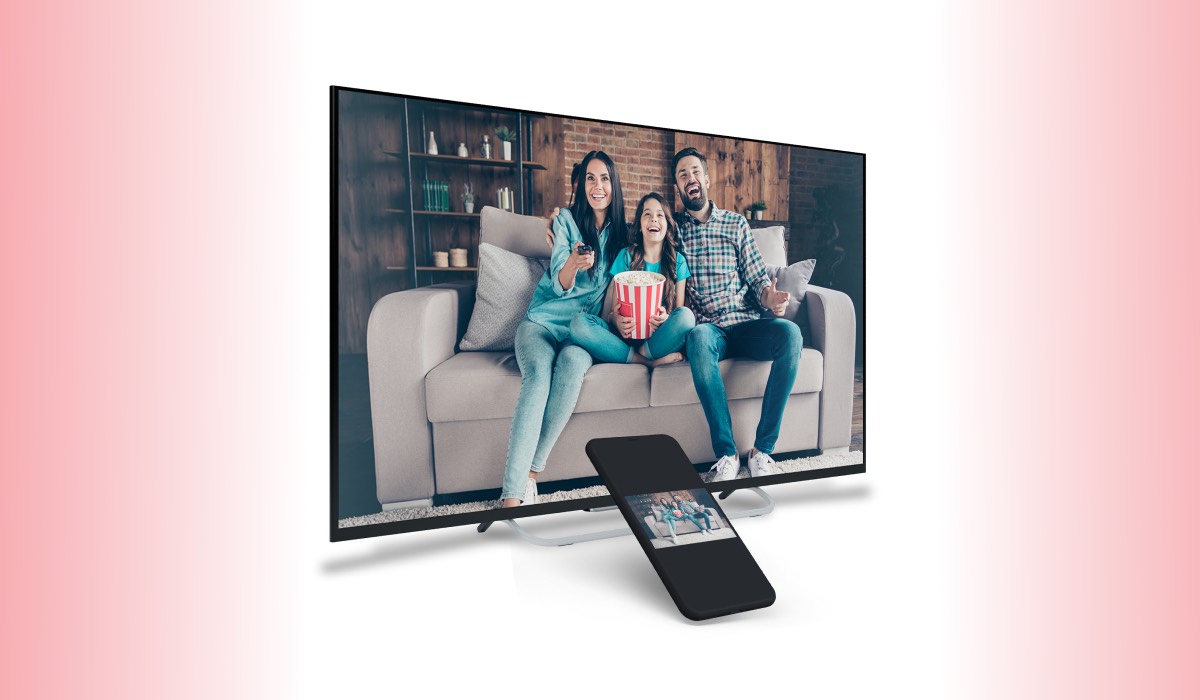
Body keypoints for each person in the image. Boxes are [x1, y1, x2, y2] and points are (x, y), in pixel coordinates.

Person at [499, 151, 628, 508]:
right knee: (538, 378)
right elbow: (559, 283)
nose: (597, 186)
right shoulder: (566, 220)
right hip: (542, 324)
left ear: (613, 186)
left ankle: (531, 473)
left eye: (604, 178)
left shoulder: (622, 238)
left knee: (571, 367)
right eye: (590, 178)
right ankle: (511, 496)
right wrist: (572, 261)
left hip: (580, 334)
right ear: (581, 184)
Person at [670, 147, 800, 482]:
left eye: (695, 172)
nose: (690, 179)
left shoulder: (735, 223)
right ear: (678, 187)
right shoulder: (674, 231)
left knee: (791, 335)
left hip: (745, 323)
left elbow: (758, 278)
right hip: (710, 331)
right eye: (682, 175)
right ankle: (727, 454)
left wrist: (770, 297)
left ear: (707, 179)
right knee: (697, 336)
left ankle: (761, 451)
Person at [569, 192, 695, 366]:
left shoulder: (678, 261)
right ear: (640, 224)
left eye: (660, 215)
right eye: (647, 214)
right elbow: (613, 312)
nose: (654, 219)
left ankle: (644, 353)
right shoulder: (626, 256)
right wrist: (616, 320)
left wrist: (666, 318)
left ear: (667, 225)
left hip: (658, 338)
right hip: (624, 338)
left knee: (687, 317)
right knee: (578, 323)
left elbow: (677, 312)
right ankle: (644, 361)